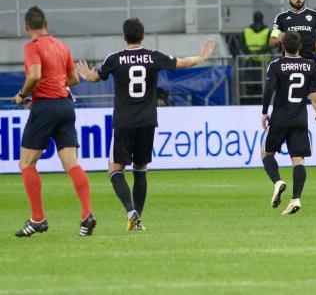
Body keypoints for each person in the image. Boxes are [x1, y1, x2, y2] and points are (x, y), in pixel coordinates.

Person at [76, 18, 215, 231]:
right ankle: (137, 218)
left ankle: (131, 211)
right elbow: (183, 63)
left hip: (124, 121)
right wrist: (204, 56)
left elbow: (95, 77)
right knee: (140, 169)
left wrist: (86, 75)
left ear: (124, 37)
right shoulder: (152, 57)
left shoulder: (115, 58)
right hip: (147, 122)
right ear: (142, 36)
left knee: (115, 169)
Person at [13, 6, 96, 237]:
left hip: (46, 107)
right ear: (46, 23)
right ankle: (86, 214)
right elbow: (74, 79)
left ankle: (38, 218)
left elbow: (35, 75)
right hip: (66, 106)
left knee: (27, 163)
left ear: (27, 27)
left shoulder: (32, 46)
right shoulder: (61, 46)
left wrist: (22, 94)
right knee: (71, 162)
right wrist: (55, 87)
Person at [261, 31, 316, 215]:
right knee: (298, 160)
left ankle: (277, 181)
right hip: (300, 118)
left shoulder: (275, 65)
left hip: (280, 118)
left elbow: (269, 89)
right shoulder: (310, 65)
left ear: (282, 46)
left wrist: (265, 112)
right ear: (300, 47)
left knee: (267, 153)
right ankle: (295, 199)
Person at [269, 0, 316, 159]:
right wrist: (281, 37)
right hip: (288, 66)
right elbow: (271, 41)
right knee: (286, 103)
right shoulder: (282, 18)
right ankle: (274, 145)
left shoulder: (314, 16)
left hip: (309, 65)